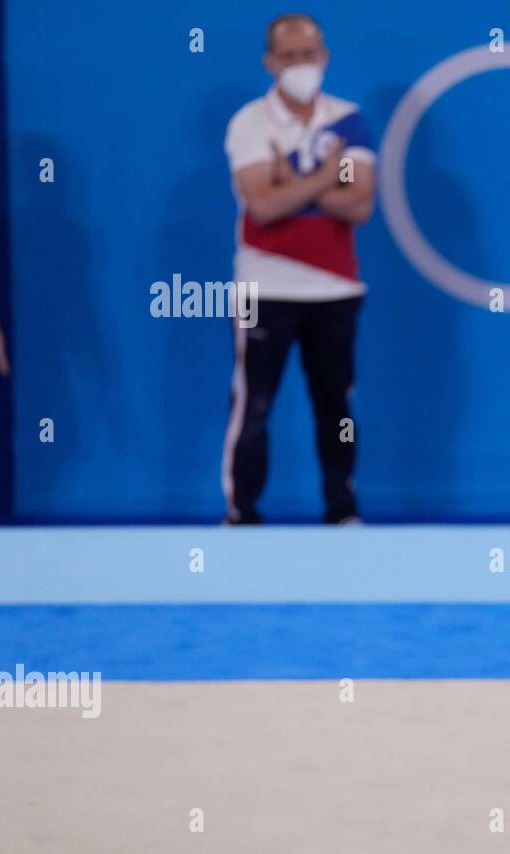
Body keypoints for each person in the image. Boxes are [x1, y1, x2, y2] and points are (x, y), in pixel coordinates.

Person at [221, 13, 375, 525]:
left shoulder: (347, 119)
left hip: (335, 288)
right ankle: (242, 513)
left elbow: (358, 205)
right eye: (288, 56)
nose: (299, 65)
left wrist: (295, 179)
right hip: (264, 287)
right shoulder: (250, 122)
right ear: (270, 62)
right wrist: (326, 176)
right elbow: (262, 205)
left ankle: (343, 508)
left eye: (307, 54)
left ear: (323, 56)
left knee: (335, 405)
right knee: (255, 404)